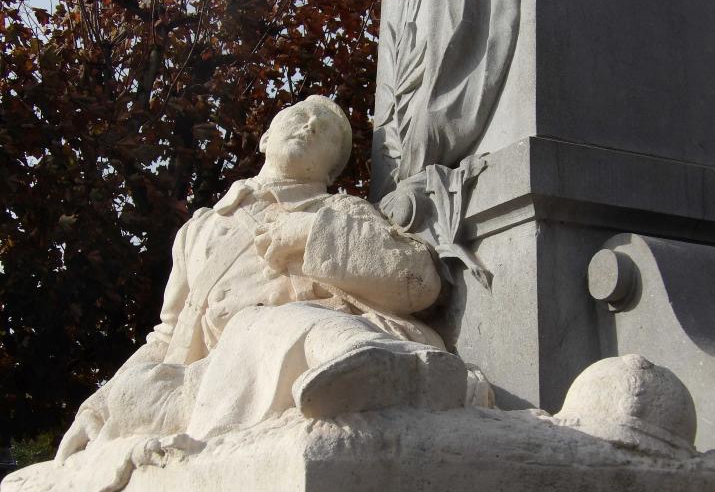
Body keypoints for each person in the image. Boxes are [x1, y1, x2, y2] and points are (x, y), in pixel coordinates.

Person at [55, 95, 467, 465]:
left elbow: (417, 282)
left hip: (311, 348)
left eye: (326, 135)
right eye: (303, 116)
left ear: (330, 170)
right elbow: (165, 338)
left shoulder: (339, 210)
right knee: (140, 389)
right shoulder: (198, 231)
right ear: (266, 137)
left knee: (259, 323)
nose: (311, 126)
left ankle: (373, 368)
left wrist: (310, 234)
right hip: (220, 379)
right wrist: (98, 405)